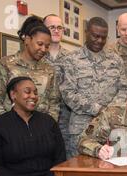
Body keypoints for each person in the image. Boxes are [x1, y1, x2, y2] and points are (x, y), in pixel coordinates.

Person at [57, 16, 127, 158]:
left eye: (103, 37)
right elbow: (68, 93)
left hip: (111, 128)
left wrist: (110, 111)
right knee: (78, 173)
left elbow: (124, 89)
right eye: (95, 36)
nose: (99, 41)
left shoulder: (115, 60)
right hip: (81, 129)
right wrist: (97, 109)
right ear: (86, 32)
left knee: (110, 171)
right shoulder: (71, 60)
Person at [0, 16, 59, 121]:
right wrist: (6, 127)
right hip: (13, 128)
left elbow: (54, 102)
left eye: (47, 46)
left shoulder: (49, 70)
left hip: (41, 129)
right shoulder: (6, 65)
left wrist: (48, 125)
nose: (43, 49)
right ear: (28, 40)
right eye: (40, 44)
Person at [42, 14, 72, 158]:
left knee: (64, 157)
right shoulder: (38, 54)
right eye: (52, 27)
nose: (56, 30)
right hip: (42, 116)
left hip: (66, 118)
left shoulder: (72, 57)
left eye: (59, 27)